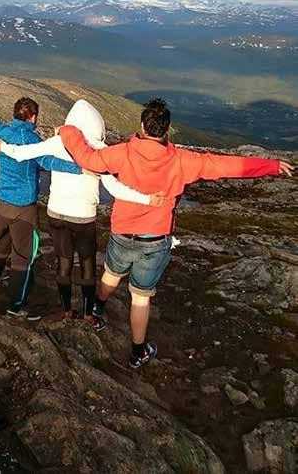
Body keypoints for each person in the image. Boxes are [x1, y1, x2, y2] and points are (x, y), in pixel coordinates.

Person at [56, 98, 294, 368]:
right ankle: (137, 352)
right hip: (155, 240)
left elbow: (87, 158)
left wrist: (69, 131)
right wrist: (271, 166)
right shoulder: (182, 160)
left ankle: (98, 307)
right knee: (141, 297)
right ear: (166, 131)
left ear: (142, 126)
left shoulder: (122, 153)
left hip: (122, 232)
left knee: (112, 272)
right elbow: (228, 167)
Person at [0, 99, 167, 331]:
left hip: (56, 213)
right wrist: (148, 200)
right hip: (83, 217)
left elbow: (25, 153)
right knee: (87, 264)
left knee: (63, 263)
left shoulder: (58, 141)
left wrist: (4, 148)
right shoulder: (99, 150)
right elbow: (115, 188)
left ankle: (67, 310)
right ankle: (88, 314)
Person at [0, 86, 85, 322]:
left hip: (2, 201)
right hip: (24, 209)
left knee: (0, 240)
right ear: (33, 117)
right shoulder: (32, 141)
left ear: (15, 115)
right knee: (23, 257)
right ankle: (15, 307)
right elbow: (50, 162)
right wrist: (81, 167)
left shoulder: (2, 131)